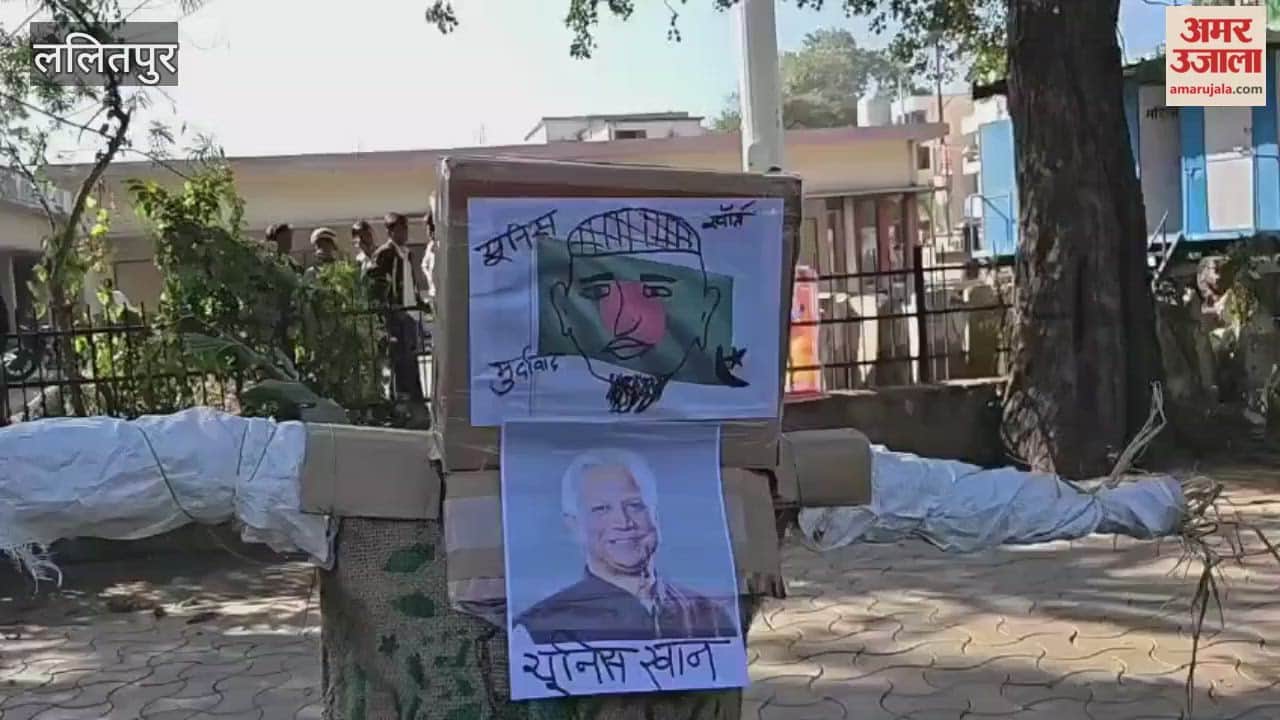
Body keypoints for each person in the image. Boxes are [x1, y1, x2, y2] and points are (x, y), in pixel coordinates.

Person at [512, 449, 736, 644]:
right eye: (601, 509)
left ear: (656, 515)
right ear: (574, 525)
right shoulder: (538, 629)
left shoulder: (710, 617)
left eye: (635, 505)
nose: (623, 522)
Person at [368, 212, 429, 402]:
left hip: (410, 314)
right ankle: (401, 401)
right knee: (398, 360)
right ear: (390, 231)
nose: (404, 233)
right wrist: (390, 308)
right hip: (396, 317)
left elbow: (410, 282)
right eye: (400, 229)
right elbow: (375, 285)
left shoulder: (406, 254)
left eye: (406, 228)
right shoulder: (384, 254)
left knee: (411, 360)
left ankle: (414, 398)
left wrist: (419, 303)